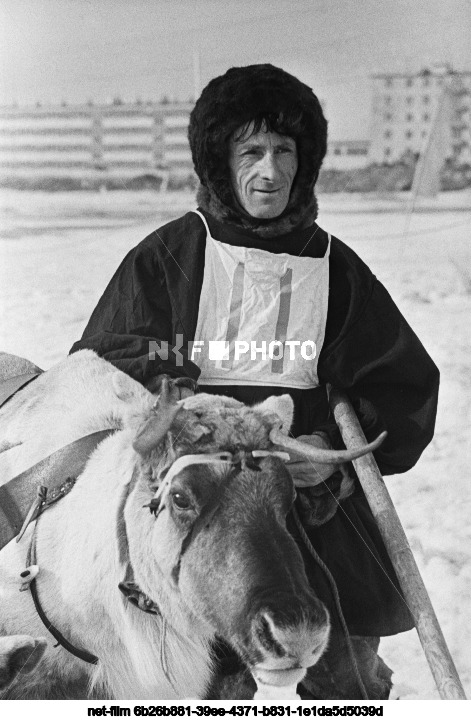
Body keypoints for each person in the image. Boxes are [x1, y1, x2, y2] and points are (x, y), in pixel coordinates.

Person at [70, 64, 439, 699]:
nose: (269, 172)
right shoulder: (169, 258)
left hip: (311, 506)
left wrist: (332, 461)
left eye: (284, 152)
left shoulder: (337, 271)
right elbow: (107, 370)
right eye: (251, 152)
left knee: (347, 677)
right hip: (197, 514)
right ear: (221, 162)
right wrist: (179, 401)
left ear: (306, 163)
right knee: (207, 687)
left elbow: (402, 389)